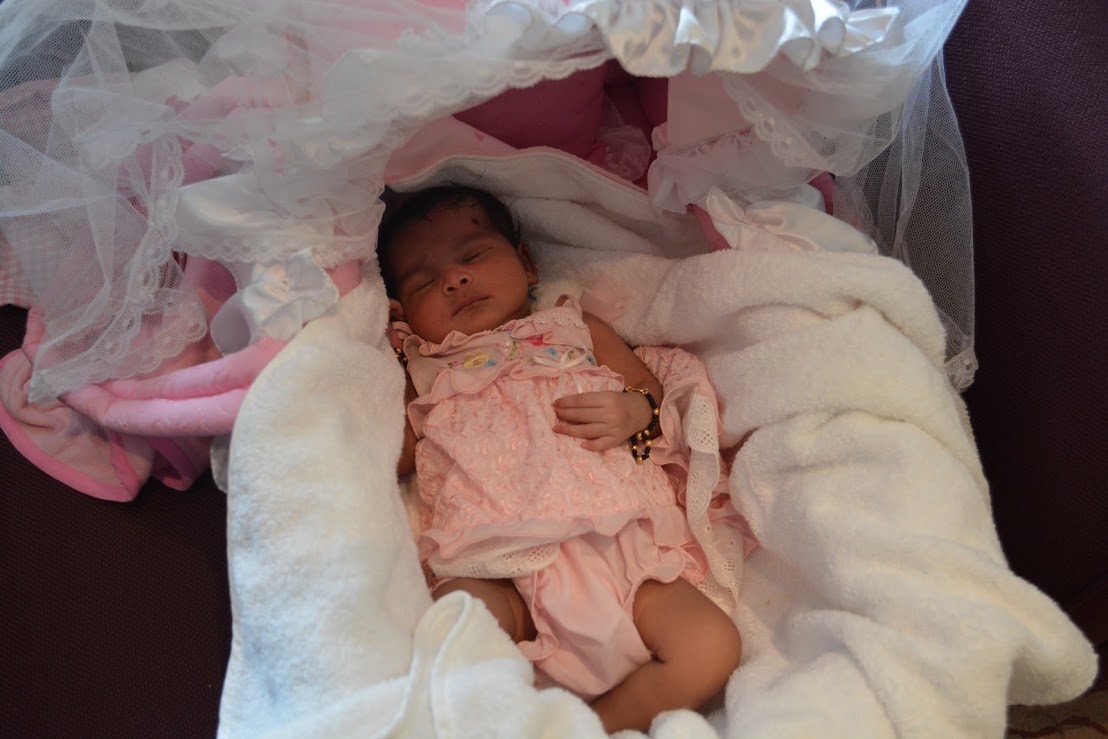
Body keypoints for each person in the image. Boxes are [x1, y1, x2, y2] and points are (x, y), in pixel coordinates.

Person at [379, 185, 742, 733]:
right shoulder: (426, 371)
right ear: (404, 313)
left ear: (526, 264)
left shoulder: (575, 329)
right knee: (456, 630)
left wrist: (632, 411)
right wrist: (381, 354)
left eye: (472, 255)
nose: (453, 279)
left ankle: (593, 726)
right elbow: (393, 455)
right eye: (424, 282)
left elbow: (650, 394)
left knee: (712, 646)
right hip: (495, 557)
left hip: (620, 544)